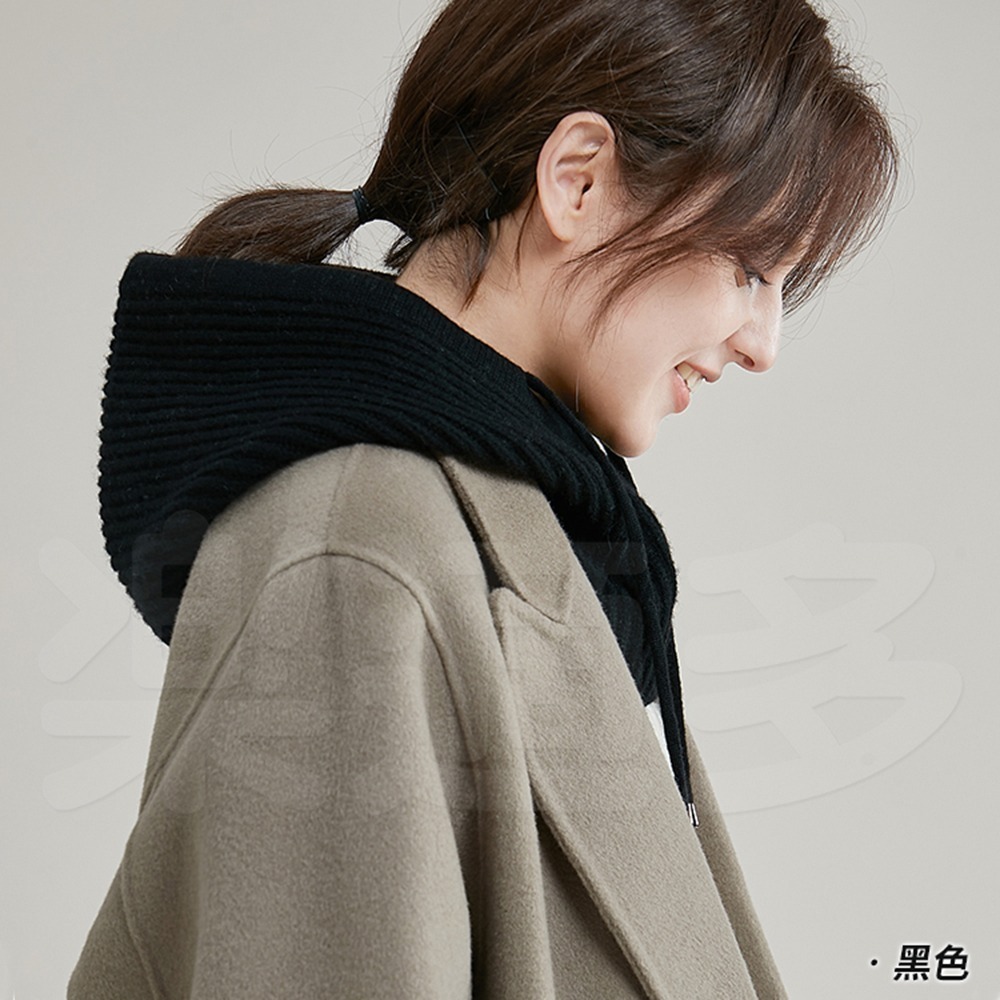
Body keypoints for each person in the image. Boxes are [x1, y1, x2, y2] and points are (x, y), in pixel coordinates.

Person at [69, 0, 897, 996]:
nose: (763, 344)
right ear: (577, 179)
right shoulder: (358, 549)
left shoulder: (543, 531)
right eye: (750, 267)